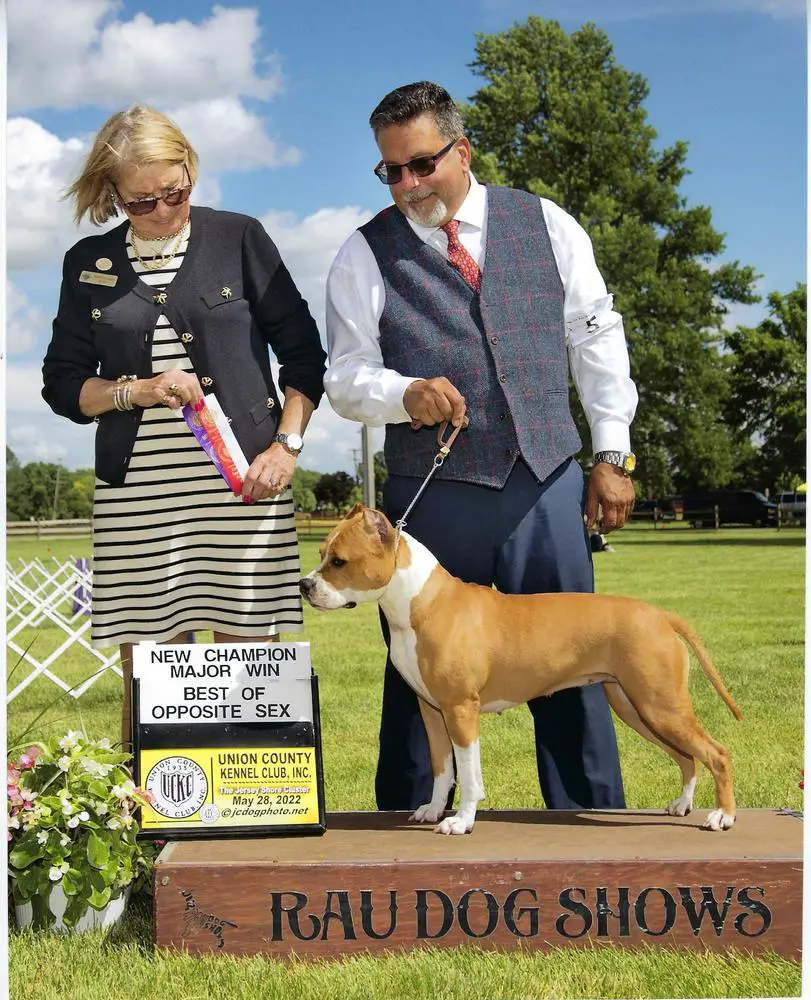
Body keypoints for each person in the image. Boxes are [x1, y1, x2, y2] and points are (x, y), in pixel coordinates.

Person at [325, 81, 638, 813]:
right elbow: (342, 375)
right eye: (389, 171)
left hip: (545, 481)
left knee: (572, 662)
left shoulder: (548, 223)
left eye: (420, 165)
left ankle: (593, 826)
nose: (405, 184)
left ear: (462, 152)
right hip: (430, 499)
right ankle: (407, 835)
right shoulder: (362, 253)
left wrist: (611, 452)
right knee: (419, 677)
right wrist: (401, 394)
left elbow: (596, 340)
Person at [42, 106, 326, 746]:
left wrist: (287, 443)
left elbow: (305, 355)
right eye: (143, 202)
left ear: (191, 170)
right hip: (137, 503)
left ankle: (256, 835)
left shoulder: (241, 237)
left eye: (177, 191)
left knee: (251, 689)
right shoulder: (86, 263)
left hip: (245, 490)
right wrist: (138, 390)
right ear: (112, 194)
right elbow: (62, 384)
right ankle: (149, 830)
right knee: (150, 690)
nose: (166, 210)